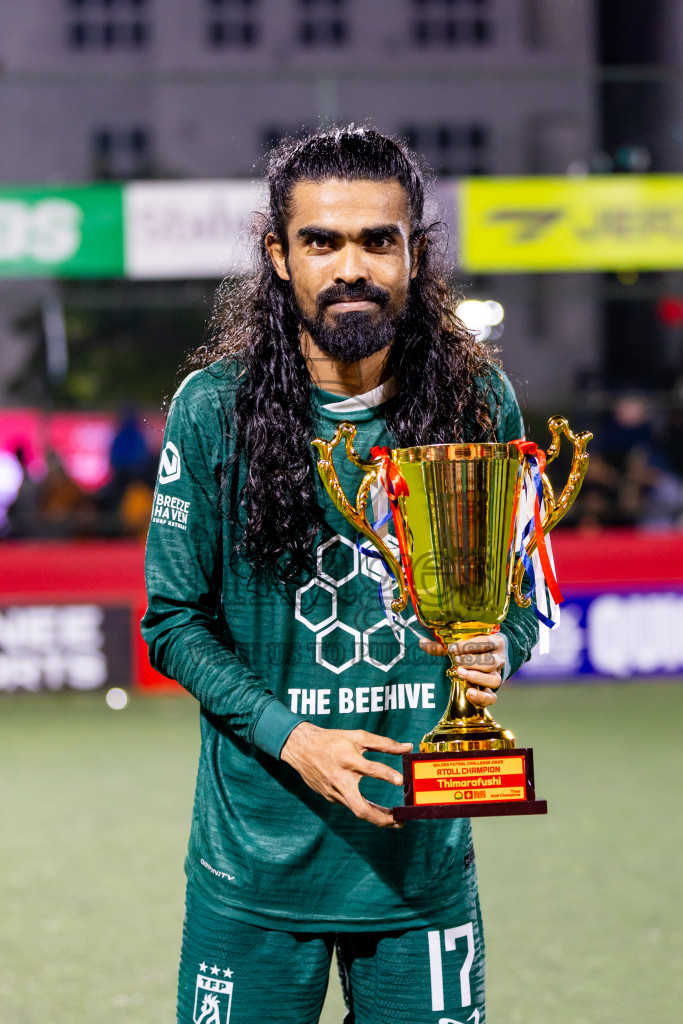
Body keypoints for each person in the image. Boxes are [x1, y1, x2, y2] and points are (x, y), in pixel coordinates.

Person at [142, 127, 538, 1024]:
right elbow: (172, 621)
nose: (350, 265)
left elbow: (516, 597)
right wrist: (297, 739)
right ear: (278, 255)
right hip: (256, 867)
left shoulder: (477, 405)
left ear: (415, 253)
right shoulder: (214, 409)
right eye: (322, 241)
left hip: (420, 869)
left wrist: (497, 645)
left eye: (377, 240)